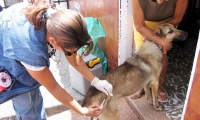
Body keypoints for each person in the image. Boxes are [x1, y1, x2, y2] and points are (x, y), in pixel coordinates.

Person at [0, 0, 113, 120]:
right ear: (53, 41)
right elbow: (54, 87)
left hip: (16, 36)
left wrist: (96, 81)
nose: (73, 54)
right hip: (6, 53)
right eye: (69, 51)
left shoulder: (59, 22)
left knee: (35, 97)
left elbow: (73, 56)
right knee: (26, 103)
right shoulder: (30, 49)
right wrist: (83, 110)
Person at [130, 0, 188, 102]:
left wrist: (159, 35)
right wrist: (153, 35)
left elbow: (177, 18)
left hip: (168, 24)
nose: (162, 2)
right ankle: (142, 85)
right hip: (144, 24)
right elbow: (139, 25)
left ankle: (161, 84)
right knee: (141, 56)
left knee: (162, 56)